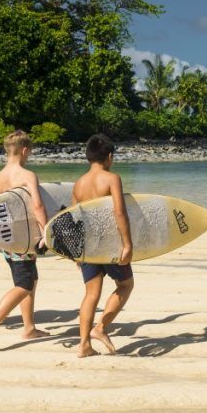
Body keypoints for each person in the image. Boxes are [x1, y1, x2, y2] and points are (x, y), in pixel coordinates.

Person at [0, 130, 49, 351]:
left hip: (7, 241)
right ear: (25, 150)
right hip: (24, 239)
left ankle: (29, 327)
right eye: (30, 152)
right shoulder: (27, 176)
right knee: (23, 285)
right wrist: (47, 231)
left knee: (30, 280)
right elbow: (37, 205)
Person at [73, 133, 134, 357]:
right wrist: (127, 243)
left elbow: (74, 220)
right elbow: (120, 212)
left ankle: (83, 345)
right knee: (126, 285)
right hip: (109, 244)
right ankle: (99, 328)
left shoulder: (78, 185)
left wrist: (76, 253)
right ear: (109, 156)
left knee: (91, 295)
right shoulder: (111, 178)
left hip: (88, 246)